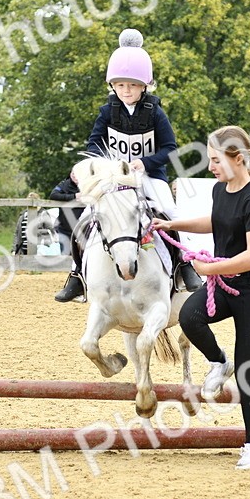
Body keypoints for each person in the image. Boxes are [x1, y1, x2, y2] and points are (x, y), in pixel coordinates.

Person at [151, 126, 250, 470]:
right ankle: (218, 361)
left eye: (215, 160)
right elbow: (216, 221)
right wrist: (172, 225)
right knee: (189, 317)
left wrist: (212, 268)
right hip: (225, 285)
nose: (211, 166)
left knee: (247, 372)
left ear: (237, 159)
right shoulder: (220, 189)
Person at [54, 28, 202, 301]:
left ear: (145, 85)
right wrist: (103, 166)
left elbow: (170, 149)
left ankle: (185, 265)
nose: (126, 90)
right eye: (121, 85)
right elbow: (94, 144)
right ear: (113, 86)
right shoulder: (107, 112)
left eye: (132, 85)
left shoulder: (156, 113)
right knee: (85, 218)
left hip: (150, 176)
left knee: (170, 211)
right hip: (116, 179)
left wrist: (144, 163)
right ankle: (76, 275)